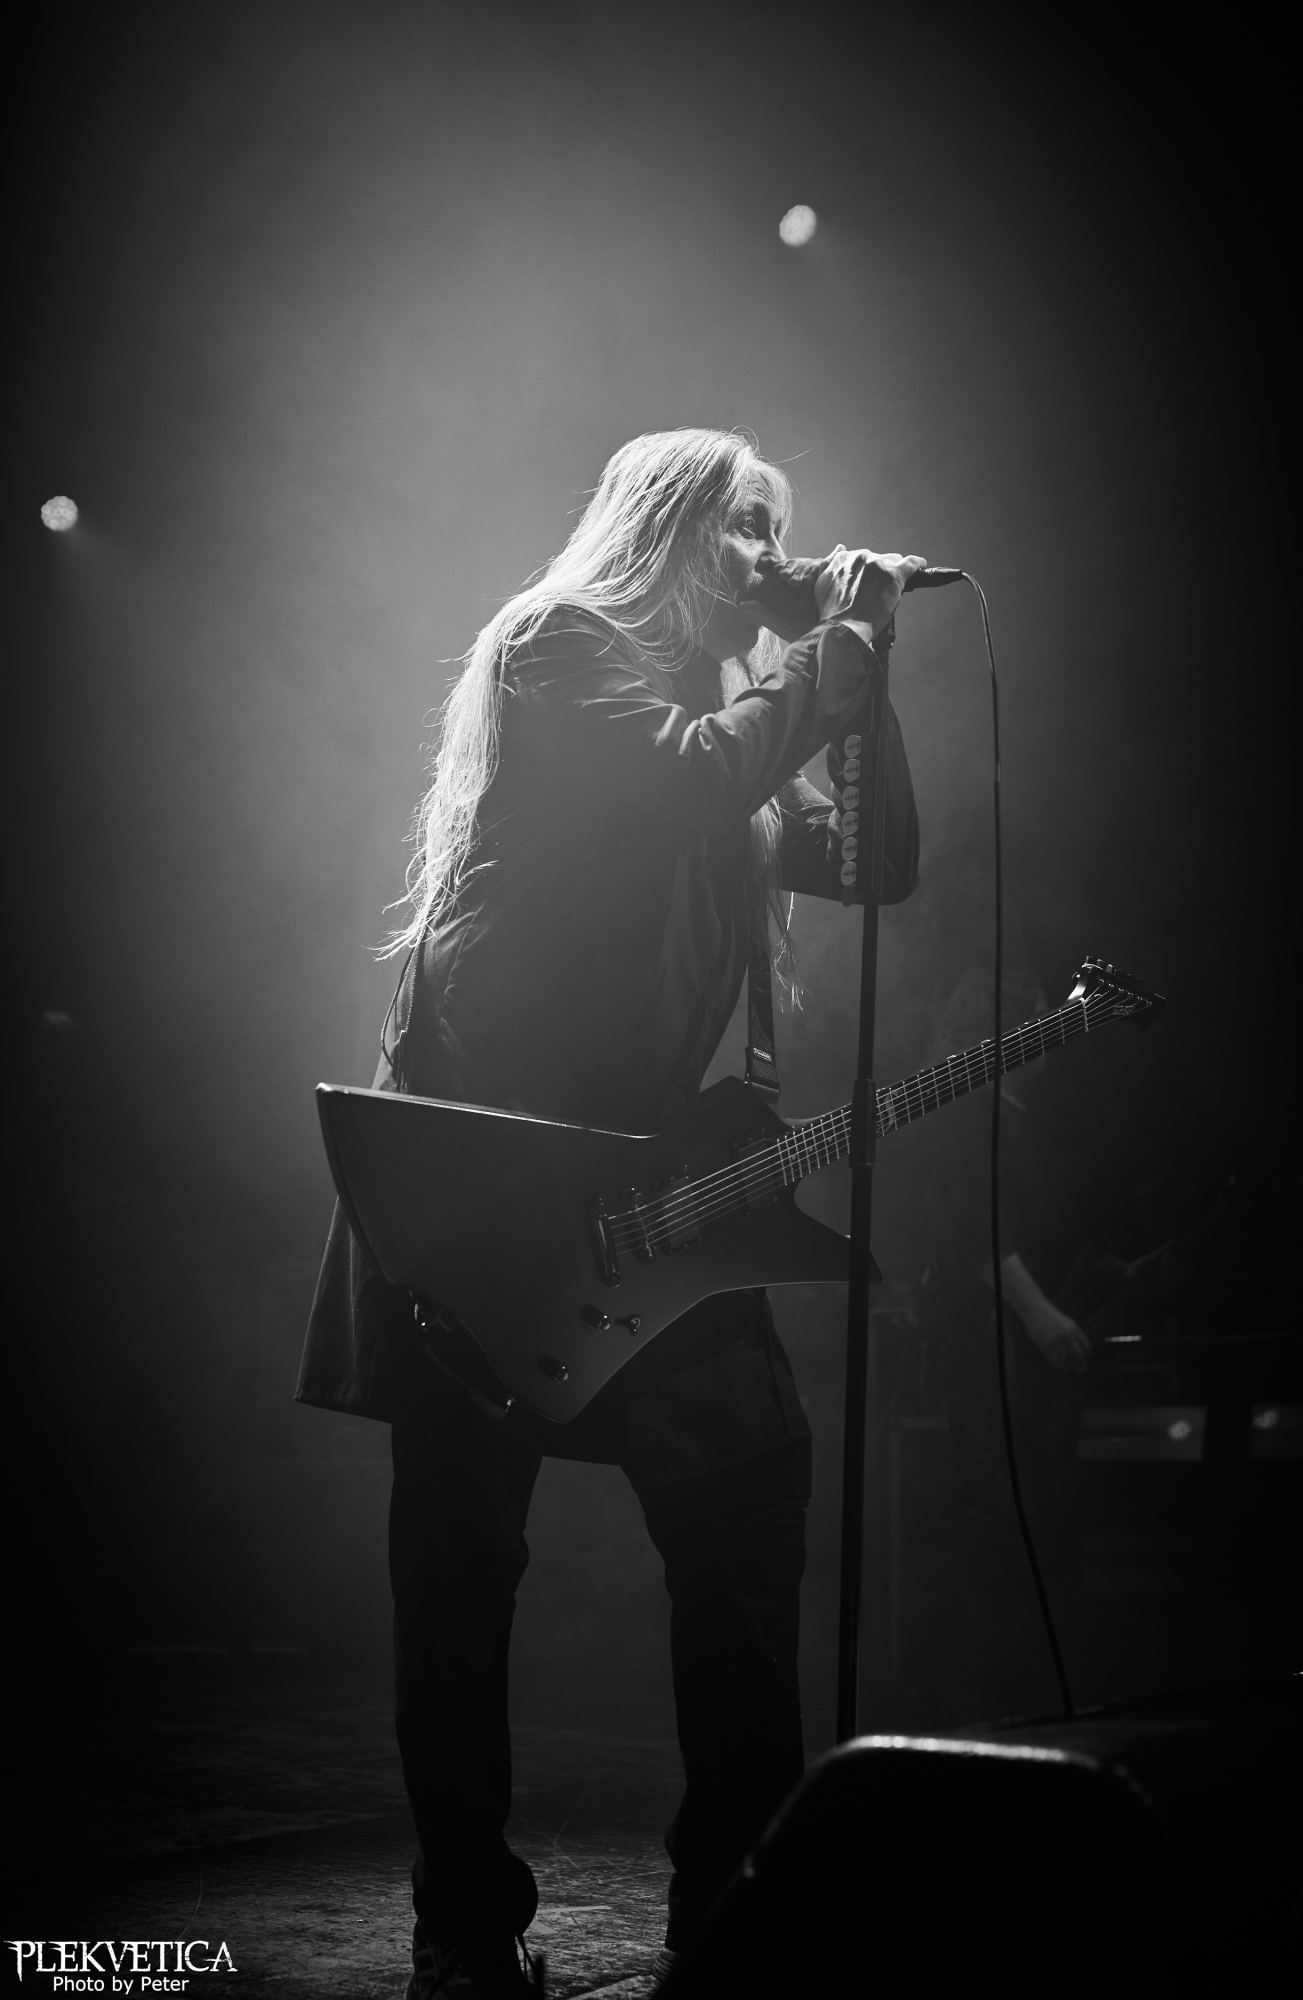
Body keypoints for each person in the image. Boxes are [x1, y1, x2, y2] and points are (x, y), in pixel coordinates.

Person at [296, 427, 924, 1998]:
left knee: (746, 1514)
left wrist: (865, 675)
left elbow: (876, 863)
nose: (769, 553)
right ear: (665, 526)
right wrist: (834, 652)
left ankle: (732, 1906)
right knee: (459, 1569)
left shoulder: (735, 734)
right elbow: (678, 782)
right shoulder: (560, 646)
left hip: (651, 1188)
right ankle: (461, 1926)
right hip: (489, 1182)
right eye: (743, 524)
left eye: (780, 527)